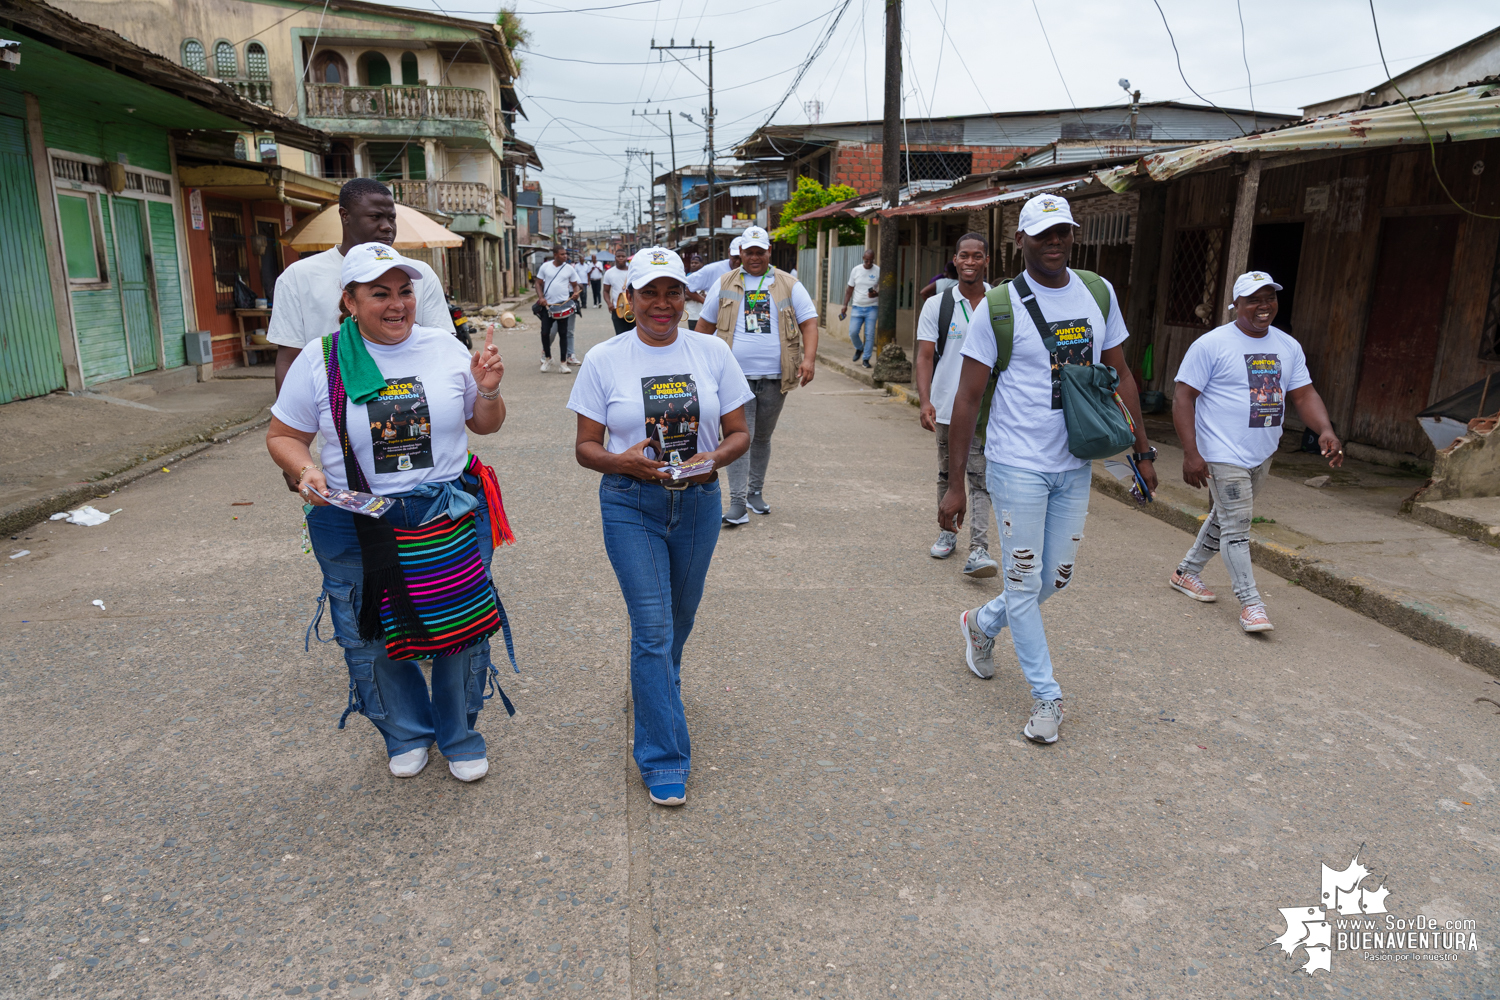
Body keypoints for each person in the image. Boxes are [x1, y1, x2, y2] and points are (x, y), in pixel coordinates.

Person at [266, 243, 515, 782]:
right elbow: (284, 435)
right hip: (355, 517)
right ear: (350, 300)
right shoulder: (323, 357)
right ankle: (403, 731)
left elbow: (486, 424)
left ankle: (459, 732)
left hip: (444, 512)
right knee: (370, 631)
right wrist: (306, 470)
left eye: (405, 291)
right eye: (380, 293)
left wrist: (489, 392)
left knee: (458, 627)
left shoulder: (445, 347)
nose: (397, 303)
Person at [943, 194, 1157, 744]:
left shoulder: (1097, 292)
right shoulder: (999, 306)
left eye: (1061, 231)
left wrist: (1143, 449)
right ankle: (1047, 696)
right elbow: (967, 399)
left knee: (1055, 578)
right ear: (1022, 242)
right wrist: (955, 484)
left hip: (1075, 460)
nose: (1054, 242)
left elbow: (1122, 375)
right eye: (1042, 234)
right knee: (1022, 578)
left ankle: (981, 623)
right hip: (1017, 463)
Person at [567, 246, 752, 806]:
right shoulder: (604, 358)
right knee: (651, 627)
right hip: (630, 503)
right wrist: (624, 461)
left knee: (679, 618)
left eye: (672, 291)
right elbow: (585, 448)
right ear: (629, 299)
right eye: (649, 292)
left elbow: (739, 432)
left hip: (697, 503)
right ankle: (664, 756)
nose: (662, 304)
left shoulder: (713, 352)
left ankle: (660, 684)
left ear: (687, 295)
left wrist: (711, 461)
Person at [1169, 271, 1343, 633]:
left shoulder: (1287, 346)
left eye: (1270, 298)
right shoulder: (1212, 344)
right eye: (1254, 300)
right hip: (1221, 451)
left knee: (1225, 516)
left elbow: (1304, 394)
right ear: (1237, 305)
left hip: (1261, 451)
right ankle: (1251, 604)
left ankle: (1186, 572)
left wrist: (1324, 429)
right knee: (1237, 525)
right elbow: (1183, 397)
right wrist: (1191, 453)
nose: (1264, 307)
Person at [268, 178, 454, 399]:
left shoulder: (418, 273)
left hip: (411, 407)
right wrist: (291, 424)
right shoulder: (298, 277)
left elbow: (443, 350)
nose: (387, 226)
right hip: (334, 413)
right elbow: (289, 360)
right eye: (375, 217)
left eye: (392, 218)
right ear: (345, 216)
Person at [694, 225, 818, 525]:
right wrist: (696, 366)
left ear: (768, 252)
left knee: (762, 438)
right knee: (739, 436)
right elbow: (704, 327)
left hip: (776, 377)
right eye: (748, 252)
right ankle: (737, 502)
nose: (754, 257)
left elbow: (810, 322)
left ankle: (754, 493)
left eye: (759, 251)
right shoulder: (724, 283)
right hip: (734, 378)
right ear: (740, 253)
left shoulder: (789, 284)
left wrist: (809, 359)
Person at [914, 233, 997, 578]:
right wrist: (925, 401)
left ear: (986, 261)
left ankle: (979, 548)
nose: (970, 262)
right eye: (964, 256)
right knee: (948, 473)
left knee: (980, 476)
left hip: (991, 408)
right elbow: (924, 356)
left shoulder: (1000, 302)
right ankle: (948, 532)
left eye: (977, 256)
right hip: (948, 404)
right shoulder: (938, 304)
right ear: (956, 259)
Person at [535, 245, 581, 373]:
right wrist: (541, 297)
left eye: (566, 254)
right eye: (562, 254)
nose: (565, 256)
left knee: (563, 334)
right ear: (555, 255)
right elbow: (538, 283)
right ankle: (548, 358)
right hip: (547, 306)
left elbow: (575, 285)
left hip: (563, 305)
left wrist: (575, 293)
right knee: (545, 333)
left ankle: (563, 363)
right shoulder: (545, 267)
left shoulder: (569, 269)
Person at [839, 249, 880, 368]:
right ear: (863, 258)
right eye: (866, 260)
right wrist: (845, 305)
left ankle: (866, 359)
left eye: (871, 260)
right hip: (857, 306)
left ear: (873, 259)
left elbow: (883, 290)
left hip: (872, 307)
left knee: (870, 334)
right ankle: (859, 348)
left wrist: (876, 294)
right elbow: (849, 289)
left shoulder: (878, 271)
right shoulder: (856, 270)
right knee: (852, 332)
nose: (868, 263)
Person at [603, 251, 633, 336]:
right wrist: (609, 303)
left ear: (626, 258)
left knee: (634, 335)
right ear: (615, 258)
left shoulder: (632, 271)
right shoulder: (609, 273)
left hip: (632, 309)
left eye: (623, 256)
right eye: (618, 256)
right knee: (620, 336)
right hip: (618, 310)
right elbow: (605, 291)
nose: (620, 258)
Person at [683, 253, 705, 328]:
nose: (693, 265)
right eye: (692, 263)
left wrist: (691, 294)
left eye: (696, 263)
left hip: (704, 314)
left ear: (701, 264)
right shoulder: (688, 278)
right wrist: (698, 296)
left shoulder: (706, 277)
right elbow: (683, 296)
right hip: (692, 314)